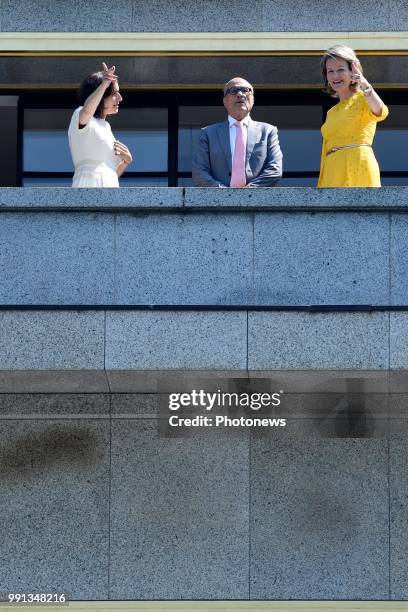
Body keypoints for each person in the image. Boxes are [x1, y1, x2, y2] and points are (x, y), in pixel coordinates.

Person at [318, 45, 388, 188]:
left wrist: (365, 85)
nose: (335, 76)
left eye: (341, 69)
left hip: (359, 165)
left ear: (353, 71)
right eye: (330, 71)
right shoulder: (332, 112)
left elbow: (381, 111)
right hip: (332, 170)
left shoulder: (364, 98)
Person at [192, 77, 282, 187]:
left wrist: (248, 192)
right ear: (225, 101)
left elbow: (275, 170)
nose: (240, 94)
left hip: (258, 201)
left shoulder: (268, 131)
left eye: (245, 90)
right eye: (233, 91)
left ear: (252, 99)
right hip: (218, 201)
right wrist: (225, 194)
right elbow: (199, 173)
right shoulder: (208, 133)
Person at [68, 63, 132, 187]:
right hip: (86, 189)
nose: (120, 98)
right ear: (101, 95)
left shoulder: (106, 127)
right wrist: (104, 84)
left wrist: (125, 162)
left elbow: (110, 173)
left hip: (109, 195)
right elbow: (87, 110)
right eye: (114, 94)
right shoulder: (80, 115)